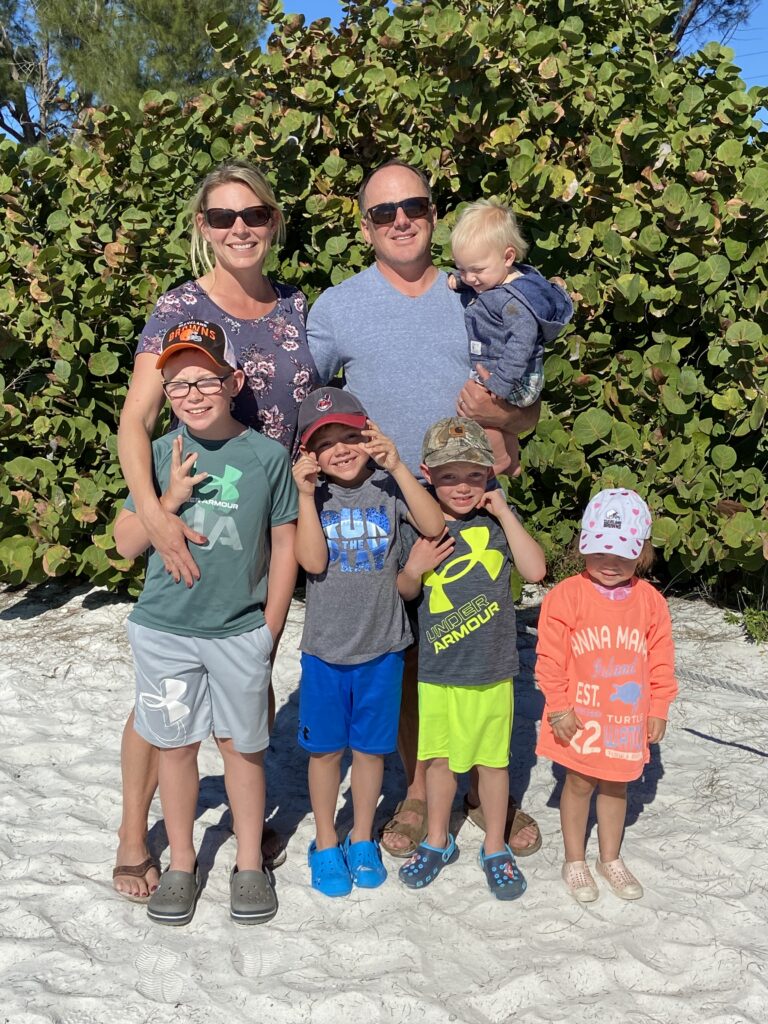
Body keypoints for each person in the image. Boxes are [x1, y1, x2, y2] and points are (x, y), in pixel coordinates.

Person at [307, 159, 542, 861]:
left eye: (412, 205)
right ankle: (418, 789)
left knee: (478, 645)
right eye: (384, 212)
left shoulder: (478, 294)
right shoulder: (336, 307)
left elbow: (526, 405)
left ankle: (481, 787)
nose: (400, 219)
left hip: (469, 503)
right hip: (380, 511)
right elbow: (307, 406)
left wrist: (505, 427)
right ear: (365, 225)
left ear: (434, 214)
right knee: (403, 653)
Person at [113, 159, 316, 901]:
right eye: (223, 217)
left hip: (266, 513)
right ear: (203, 227)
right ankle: (138, 836)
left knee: (248, 684)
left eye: (254, 215)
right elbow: (136, 422)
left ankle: (247, 824)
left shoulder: (297, 305)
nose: (240, 229)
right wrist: (156, 514)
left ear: (274, 221)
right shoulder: (178, 308)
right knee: (161, 703)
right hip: (194, 514)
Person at [114, 321, 298, 925]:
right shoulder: (162, 454)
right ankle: (183, 864)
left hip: (239, 632)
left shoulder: (268, 456)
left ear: (233, 381)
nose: (192, 394)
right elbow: (124, 544)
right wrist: (162, 502)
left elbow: (283, 547)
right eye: (176, 385)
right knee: (174, 747)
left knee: (243, 749)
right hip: (165, 630)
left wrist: (268, 630)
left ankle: (248, 862)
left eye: (205, 381)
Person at [292, 387, 444, 896]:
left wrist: (399, 466)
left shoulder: (388, 487)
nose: (341, 448)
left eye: (350, 436)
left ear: (369, 434)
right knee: (326, 753)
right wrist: (304, 496)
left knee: (371, 752)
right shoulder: (316, 497)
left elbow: (434, 524)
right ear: (310, 454)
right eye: (326, 441)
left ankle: (360, 838)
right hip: (325, 652)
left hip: (383, 648)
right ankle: (326, 842)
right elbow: (312, 563)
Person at [396, 418, 546, 898]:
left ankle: (496, 845)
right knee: (438, 762)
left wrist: (504, 513)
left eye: (474, 476)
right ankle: (439, 840)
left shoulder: (496, 524)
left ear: (489, 475)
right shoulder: (417, 529)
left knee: (492, 764)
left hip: (492, 670)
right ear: (427, 475)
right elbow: (403, 591)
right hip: (438, 673)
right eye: (448, 476)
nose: (462, 487)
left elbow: (536, 570)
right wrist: (415, 569)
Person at [535, 489, 678, 903]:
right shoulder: (566, 596)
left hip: (626, 720)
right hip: (579, 717)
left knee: (618, 785)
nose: (609, 563)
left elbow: (661, 661)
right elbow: (550, 659)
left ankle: (609, 858)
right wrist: (559, 707)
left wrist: (659, 707)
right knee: (578, 782)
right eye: (600, 552)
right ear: (584, 546)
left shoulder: (651, 603)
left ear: (642, 552)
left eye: (622, 554)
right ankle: (575, 859)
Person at [450, 199, 573, 477]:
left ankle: (501, 460)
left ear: (507, 257)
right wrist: (460, 280)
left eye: (476, 270)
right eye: (462, 268)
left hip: (514, 376)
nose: (470, 278)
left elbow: (521, 343)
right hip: (508, 373)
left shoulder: (515, 302)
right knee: (485, 411)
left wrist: (501, 383)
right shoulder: (496, 279)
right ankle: (513, 460)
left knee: (476, 411)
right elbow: (480, 285)